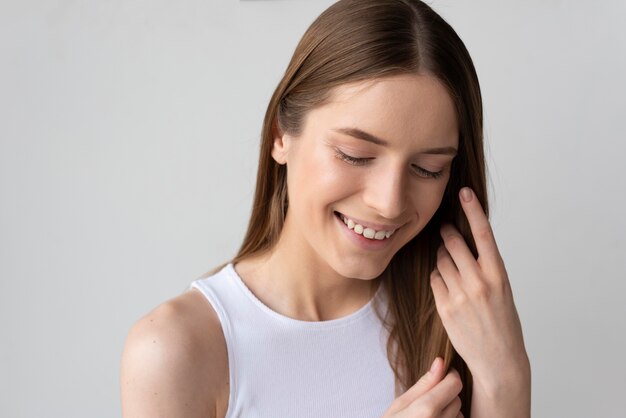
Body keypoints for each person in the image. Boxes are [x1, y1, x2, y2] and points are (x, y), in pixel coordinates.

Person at [120, 0, 531, 417]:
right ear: (281, 136)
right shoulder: (176, 349)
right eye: (354, 155)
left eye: (427, 169)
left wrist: (507, 376)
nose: (389, 203)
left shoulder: (464, 322)